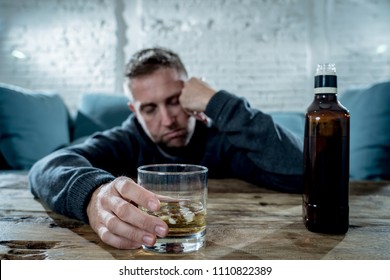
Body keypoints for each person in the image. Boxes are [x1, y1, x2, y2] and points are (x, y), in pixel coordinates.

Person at [29, 47, 303, 250]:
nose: (168, 119)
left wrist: (217, 102)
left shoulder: (223, 138)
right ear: (134, 111)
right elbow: (47, 167)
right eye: (149, 109)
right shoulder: (126, 139)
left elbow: (305, 170)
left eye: (174, 101)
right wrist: (92, 195)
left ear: (191, 94)